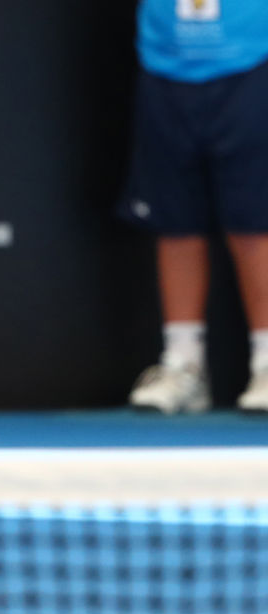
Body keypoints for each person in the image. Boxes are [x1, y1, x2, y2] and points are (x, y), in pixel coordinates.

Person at [122, 0, 268, 414]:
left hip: (251, 62)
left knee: (255, 222)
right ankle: (183, 363)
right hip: (165, 66)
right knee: (176, 222)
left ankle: (266, 362)